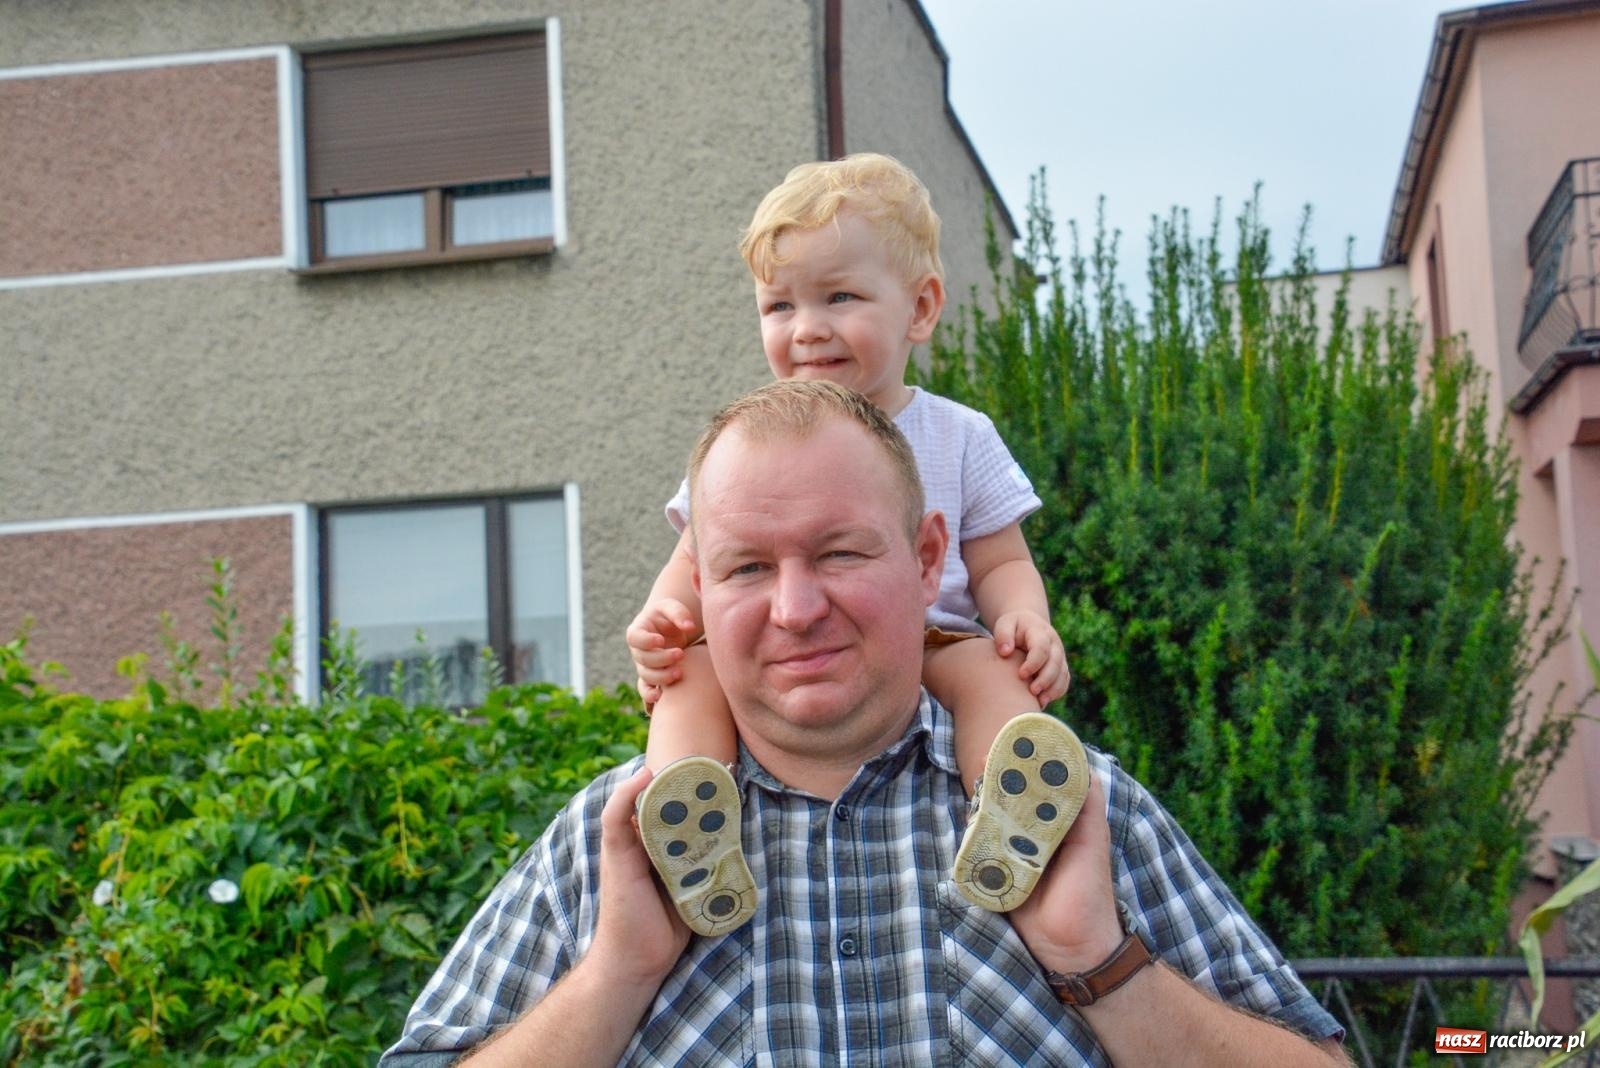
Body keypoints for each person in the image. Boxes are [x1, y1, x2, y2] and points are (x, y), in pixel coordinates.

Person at [381, 380, 1348, 1066]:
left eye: (839, 553)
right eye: (748, 569)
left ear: (930, 561)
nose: (795, 609)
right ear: (701, 590)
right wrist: (614, 977)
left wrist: (1102, 963)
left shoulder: (1077, 814)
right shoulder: (614, 850)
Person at [629, 154, 1082, 936]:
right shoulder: (752, 443)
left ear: (921, 307)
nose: (806, 328)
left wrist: (1023, 620)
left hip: (932, 639)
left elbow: (1001, 557)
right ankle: (688, 821)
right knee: (690, 680)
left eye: (839, 296)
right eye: (779, 306)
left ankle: (1012, 819)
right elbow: (695, 562)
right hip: (773, 657)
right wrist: (666, 619)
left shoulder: (958, 434)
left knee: (988, 675)